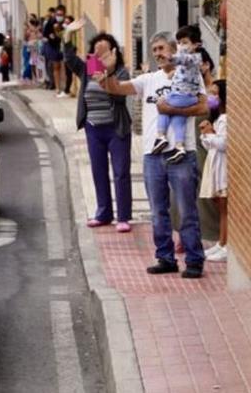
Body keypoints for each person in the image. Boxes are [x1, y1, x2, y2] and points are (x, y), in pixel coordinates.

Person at [94, 33, 208, 278]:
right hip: (152, 155)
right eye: (154, 49)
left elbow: (203, 106)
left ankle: (194, 260)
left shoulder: (189, 73)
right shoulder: (148, 79)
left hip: (181, 153)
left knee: (186, 210)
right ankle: (165, 258)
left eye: (161, 48)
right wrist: (109, 72)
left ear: (174, 49)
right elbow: (117, 88)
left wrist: (171, 108)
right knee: (158, 211)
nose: (158, 53)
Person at [61, 23, 133, 232]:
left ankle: (123, 216)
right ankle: (103, 213)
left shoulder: (120, 72)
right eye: (96, 50)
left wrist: (108, 72)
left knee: (121, 172)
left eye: (104, 50)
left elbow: (119, 96)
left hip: (116, 128)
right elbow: (69, 59)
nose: (99, 54)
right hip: (94, 128)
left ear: (113, 52)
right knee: (98, 171)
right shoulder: (88, 69)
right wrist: (67, 34)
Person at [149, 26, 204, 161]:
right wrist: (174, 72)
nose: (181, 46)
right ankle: (180, 147)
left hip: (184, 96)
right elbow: (183, 70)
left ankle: (161, 136)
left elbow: (183, 60)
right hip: (186, 98)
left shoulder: (194, 58)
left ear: (196, 45)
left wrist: (171, 57)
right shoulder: (187, 64)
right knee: (178, 120)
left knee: (163, 105)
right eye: (179, 43)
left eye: (184, 42)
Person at [200, 80, 229, 262]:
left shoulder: (226, 119)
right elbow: (208, 143)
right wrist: (207, 134)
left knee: (225, 208)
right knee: (220, 207)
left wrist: (210, 134)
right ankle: (221, 241)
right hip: (214, 163)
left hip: (222, 166)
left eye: (216, 94)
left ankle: (226, 244)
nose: (212, 98)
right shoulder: (217, 118)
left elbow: (223, 143)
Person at [43, 6, 68, 96]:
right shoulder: (51, 22)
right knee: (56, 66)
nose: (59, 16)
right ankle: (58, 88)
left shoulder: (66, 22)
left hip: (65, 47)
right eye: (58, 14)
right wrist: (50, 36)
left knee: (65, 67)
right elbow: (45, 33)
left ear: (64, 14)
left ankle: (65, 87)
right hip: (54, 47)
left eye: (61, 14)